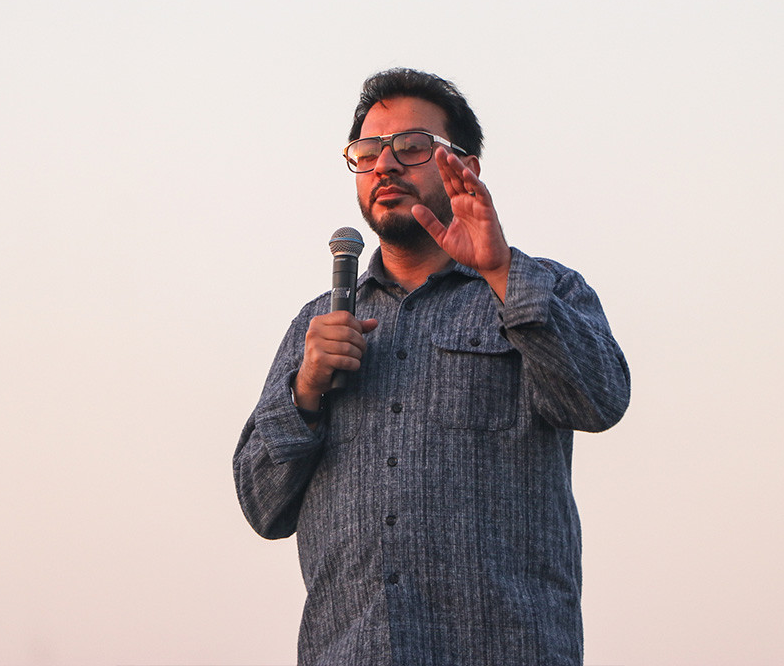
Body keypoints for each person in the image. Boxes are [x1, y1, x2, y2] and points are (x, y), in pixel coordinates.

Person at [232, 68, 631, 666]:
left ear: (464, 167)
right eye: (368, 153)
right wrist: (306, 389)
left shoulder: (542, 288)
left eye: (411, 147)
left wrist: (501, 272)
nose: (385, 166)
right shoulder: (317, 326)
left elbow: (600, 401)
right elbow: (262, 506)